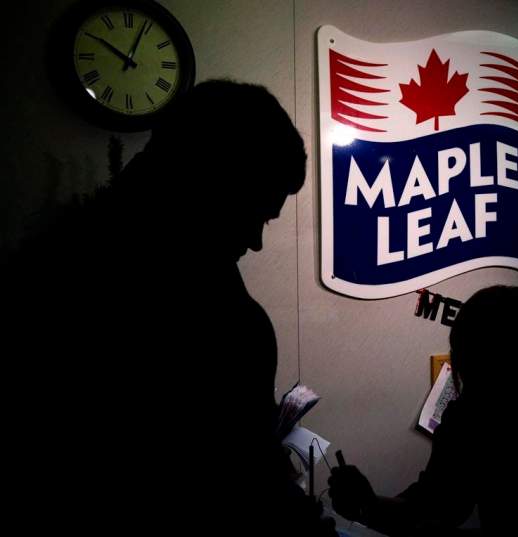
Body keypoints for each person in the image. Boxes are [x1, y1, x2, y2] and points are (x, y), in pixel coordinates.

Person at [3, 80, 335, 535]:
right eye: (255, 212)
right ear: (212, 183)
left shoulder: (53, 261)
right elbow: (242, 484)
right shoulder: (221, 319)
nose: (256, 241)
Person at [328, 285, 518, 536]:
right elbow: (434, 504)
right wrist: (369, 506)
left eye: (469, 365)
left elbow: (433, 508)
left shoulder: (473, 420)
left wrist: (368, 507)